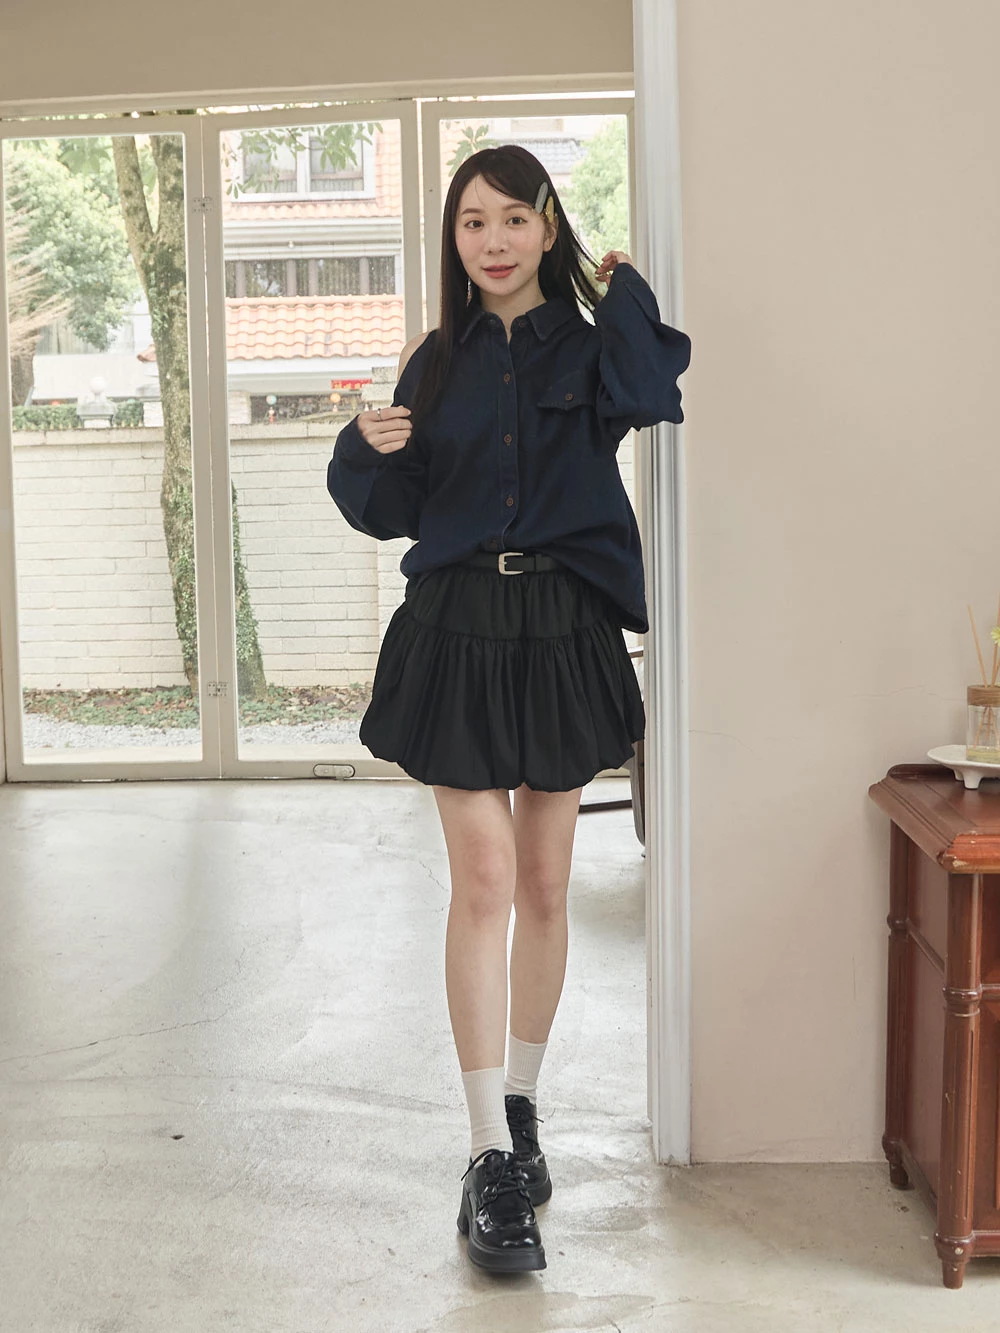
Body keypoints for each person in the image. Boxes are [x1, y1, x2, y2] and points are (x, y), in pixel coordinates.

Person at [326, 144, 691, 1274]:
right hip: (457, 630)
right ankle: (486, 1151)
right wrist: (363, 447)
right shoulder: (433, 363)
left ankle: (522, 1106)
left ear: (547, 227)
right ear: (454, 238)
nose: (491, 240)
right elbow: (393, 509)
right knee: (483, 881)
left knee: (544, 884)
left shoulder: (590, 348)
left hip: (561, 631)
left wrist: (623, 293)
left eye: (513, 219)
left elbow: (652, 396)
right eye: (471, 221)